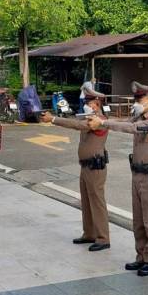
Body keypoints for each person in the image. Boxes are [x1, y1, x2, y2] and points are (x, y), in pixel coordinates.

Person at [89, 82, 148, 276]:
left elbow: (131, 128)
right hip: (137, 173)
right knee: (138, 220)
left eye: (140, 99)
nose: (137, 103)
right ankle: (141, 257)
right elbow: (126, 123)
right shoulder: (138, 117)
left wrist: (103, 123)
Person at [42, 88, 110, 252]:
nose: (85, 105)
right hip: (85, 166)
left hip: (95, 167)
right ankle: (89, 233)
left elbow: (77, 125)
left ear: (96, 104)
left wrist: (53, 119)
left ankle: (103, 238)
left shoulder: (100, 120)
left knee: (97, 202)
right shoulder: (89, 118)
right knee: (86, 201)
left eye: (88, 102)